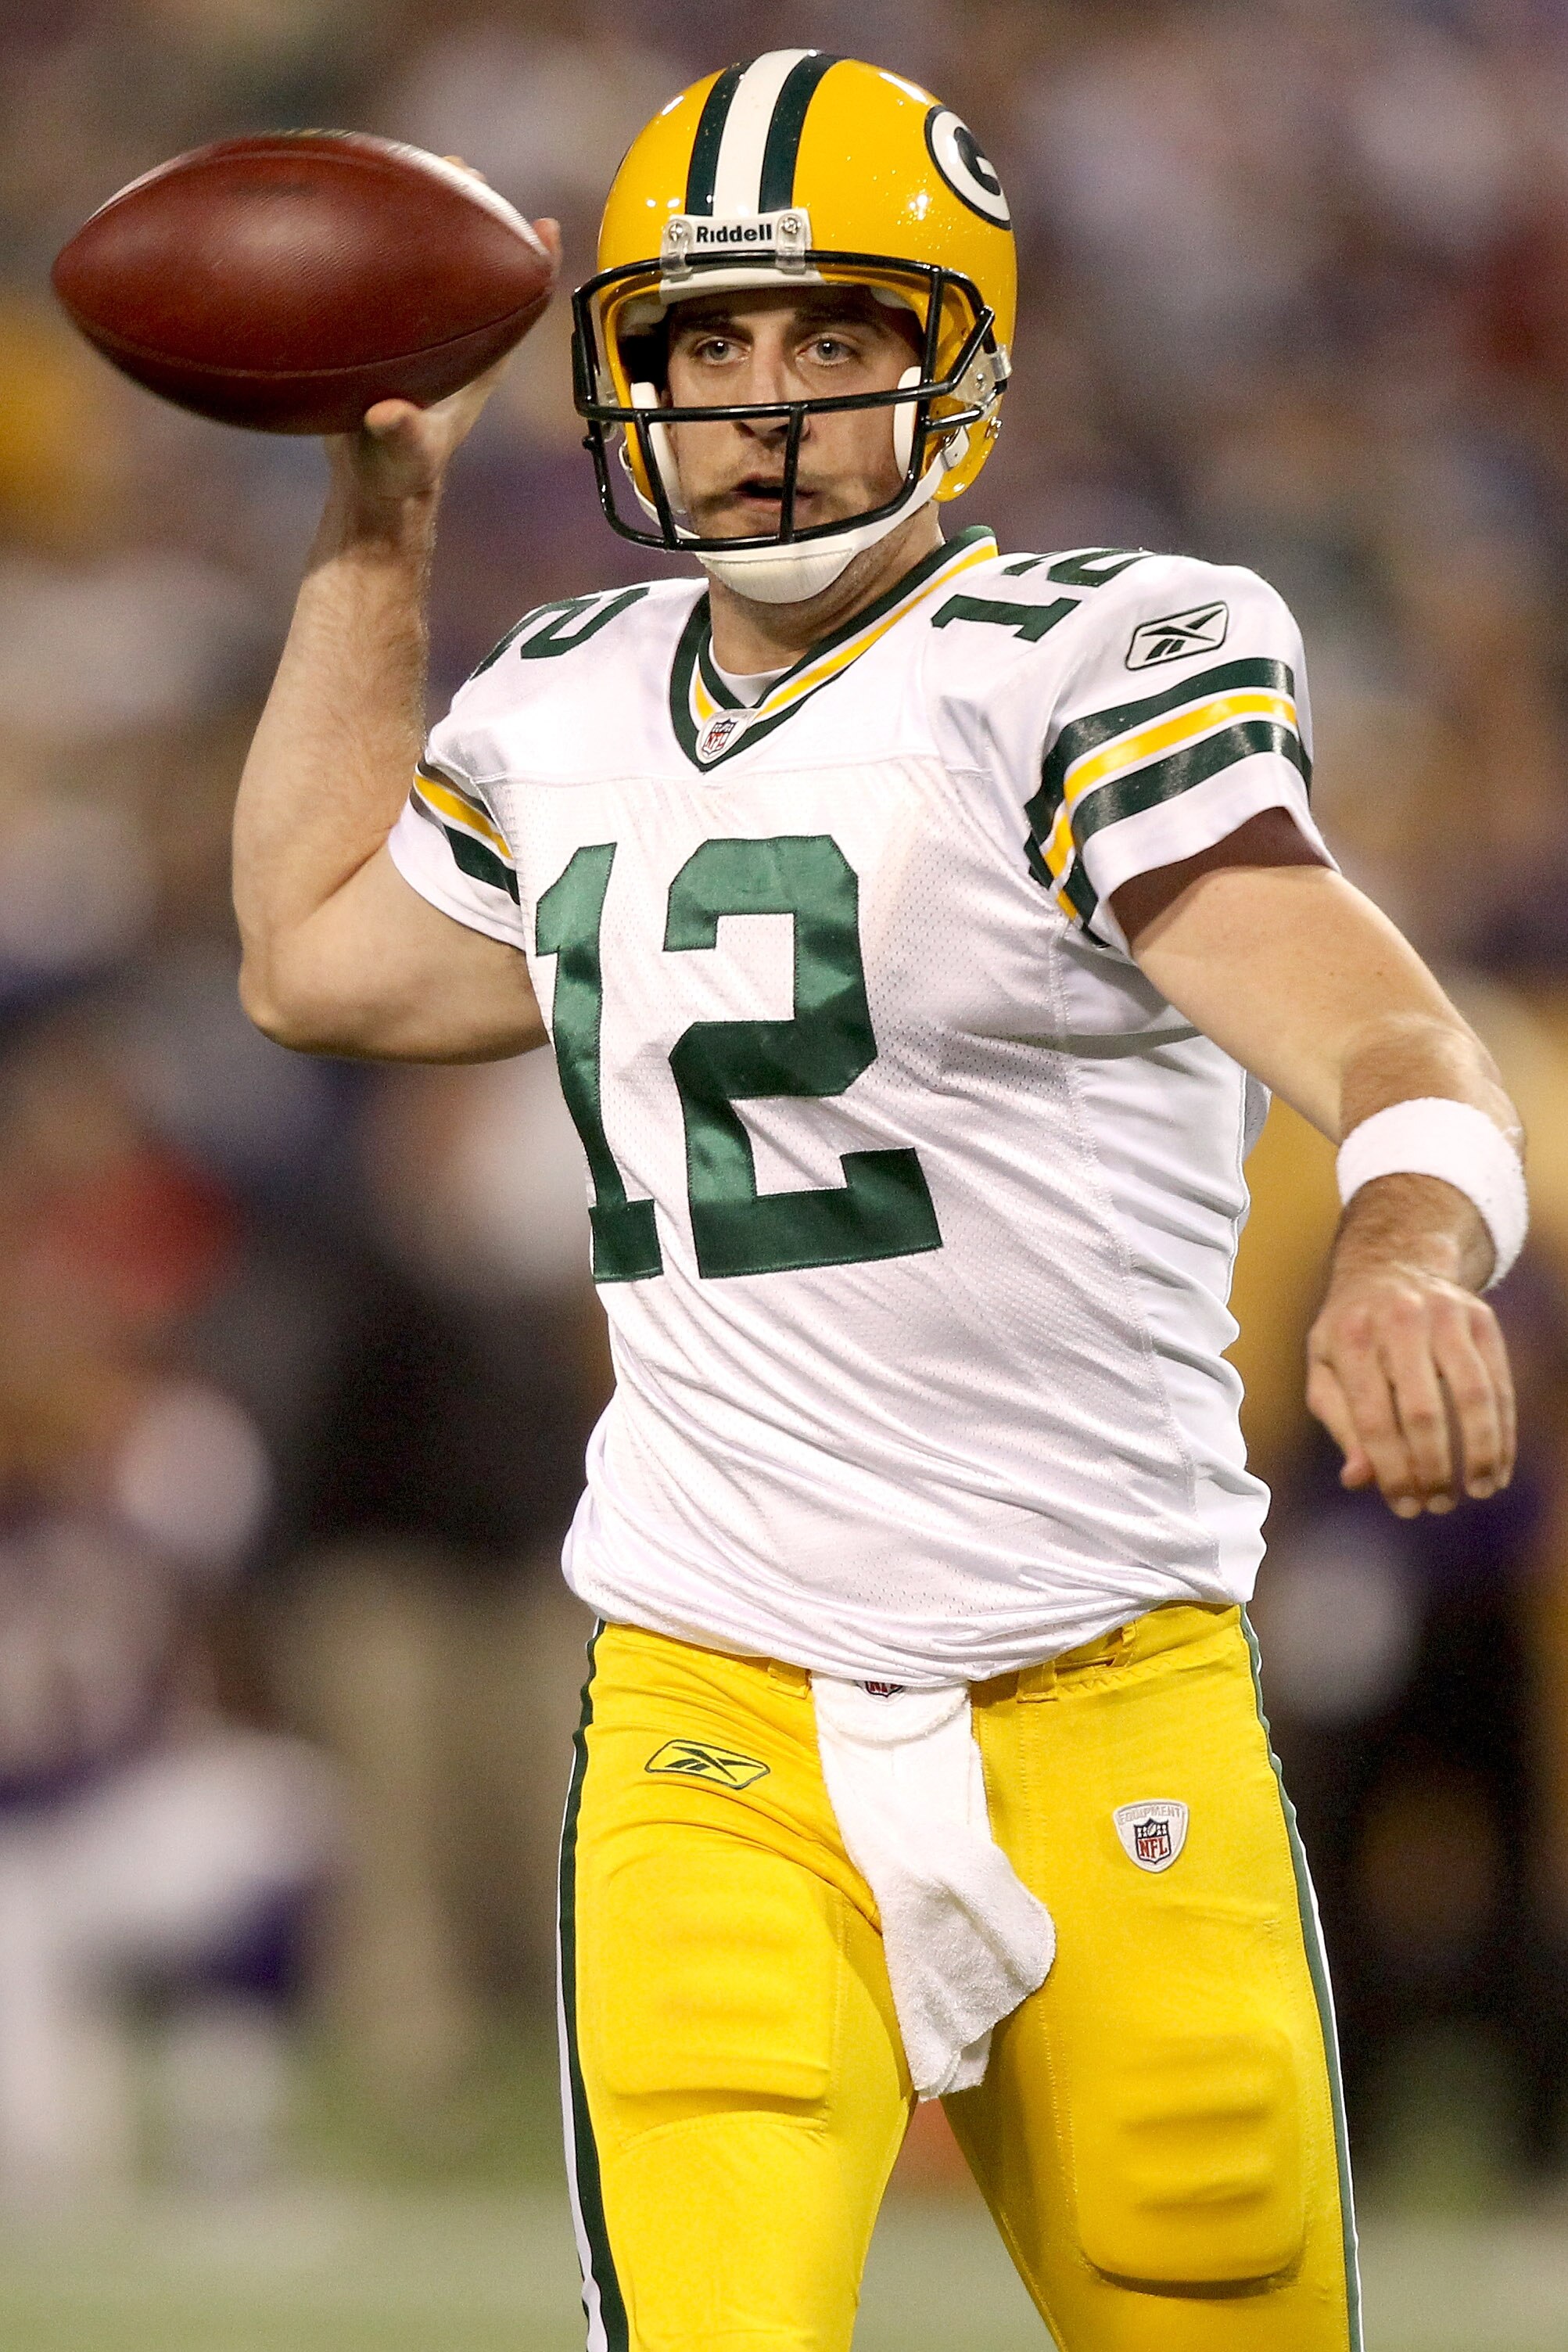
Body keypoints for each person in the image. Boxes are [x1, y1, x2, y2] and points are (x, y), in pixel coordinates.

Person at [232, 50, 1524, 2352]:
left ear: (964, 360)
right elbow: (310, 959)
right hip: (712, 1703)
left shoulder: (1089, 659)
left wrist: (1407, 1253)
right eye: (702, 342)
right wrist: (378, 525)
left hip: (1099, 1682)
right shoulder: (566, 697)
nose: (761, 405)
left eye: (831, 333)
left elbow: (1400, 1050)